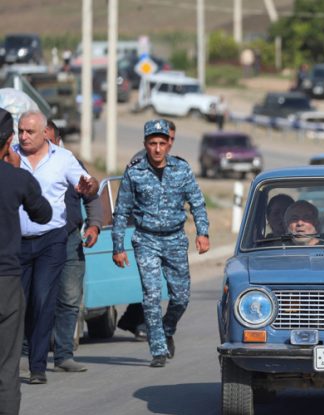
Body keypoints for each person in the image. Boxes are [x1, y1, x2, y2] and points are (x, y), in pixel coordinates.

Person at [112, 119, 210, 367]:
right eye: (152, 143)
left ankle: (167, 329)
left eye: (161, 143)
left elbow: (197, 203)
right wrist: (118, 247)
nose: (157, 149)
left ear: (169, 144)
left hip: (175, 239)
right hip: (146, 239)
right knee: (151, 296)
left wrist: (203, 233)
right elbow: (121, 211)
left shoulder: (182, 169)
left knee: (181, 297)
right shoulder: (134, 172)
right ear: (145, 144)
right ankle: (158, 349)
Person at [15, 111, 98, 385]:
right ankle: (16, 358)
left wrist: (89, 186)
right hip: (17, 241)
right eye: (20, 131)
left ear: (44, 134)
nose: (23, 136)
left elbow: (89, 186)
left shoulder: (63, 159)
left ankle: (38, 367)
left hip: (52, 239)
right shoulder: (11, 157)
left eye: (29, 132)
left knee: (43, 299)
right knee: (19, 302)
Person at [0, 107, 52, 415]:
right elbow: (44, 215)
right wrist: (18, 175)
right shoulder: (16, 178)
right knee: (6, 368)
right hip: (5, 283)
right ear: (8, 142)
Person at [47, 120, 103, 373]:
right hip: (34, 239)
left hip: (69, 237)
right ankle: (27, 353)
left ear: (57, 139)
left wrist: (94, 226)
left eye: (47, 138)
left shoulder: (69, 161)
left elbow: (91, 194)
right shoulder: (21, 161)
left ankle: (63, 354)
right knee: (33, 297)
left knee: (69, 297)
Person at [117, 120, 178, 340]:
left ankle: (131, 318)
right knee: (149, 279)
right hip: (143, 229)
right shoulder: (140, 161)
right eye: (163, 138)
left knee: (157, 279)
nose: (166, 144)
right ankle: (141, 322)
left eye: (170, 139)